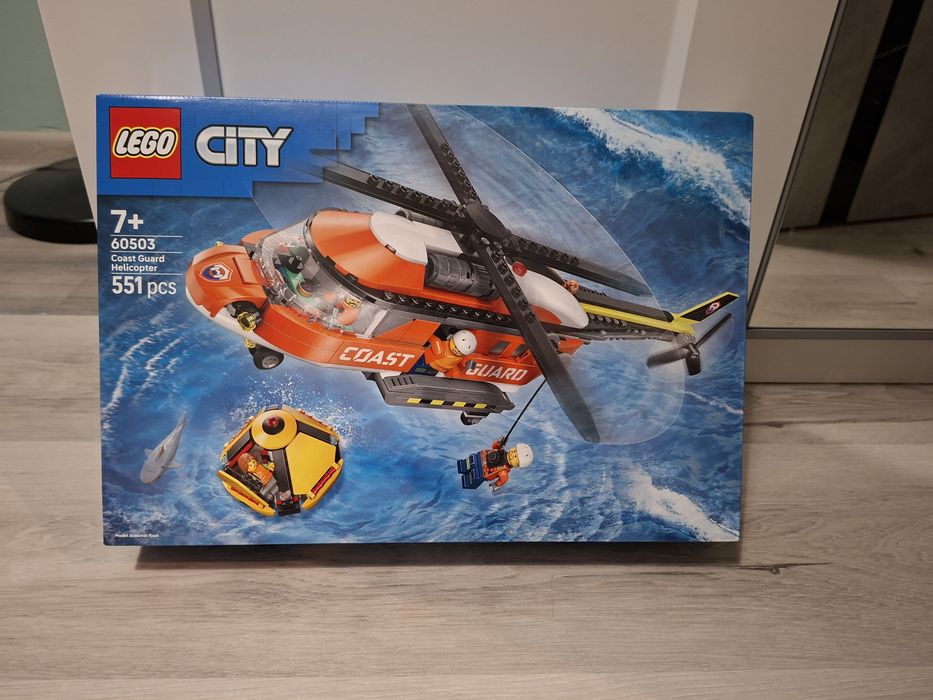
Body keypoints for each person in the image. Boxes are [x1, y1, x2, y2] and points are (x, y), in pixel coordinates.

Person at [456, 437, 534, 491]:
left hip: (481, 473)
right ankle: (462, 467)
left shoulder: (503, 471)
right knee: (468, 462)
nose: (513, 454)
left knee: (471, 478)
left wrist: (496, 485)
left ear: (517, 464)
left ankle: (466, 482)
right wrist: (499, 443)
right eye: (514, 451)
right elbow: (494, 446)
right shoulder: (501, 450)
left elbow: (503, 480)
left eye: (515, 456)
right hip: (478, 458)